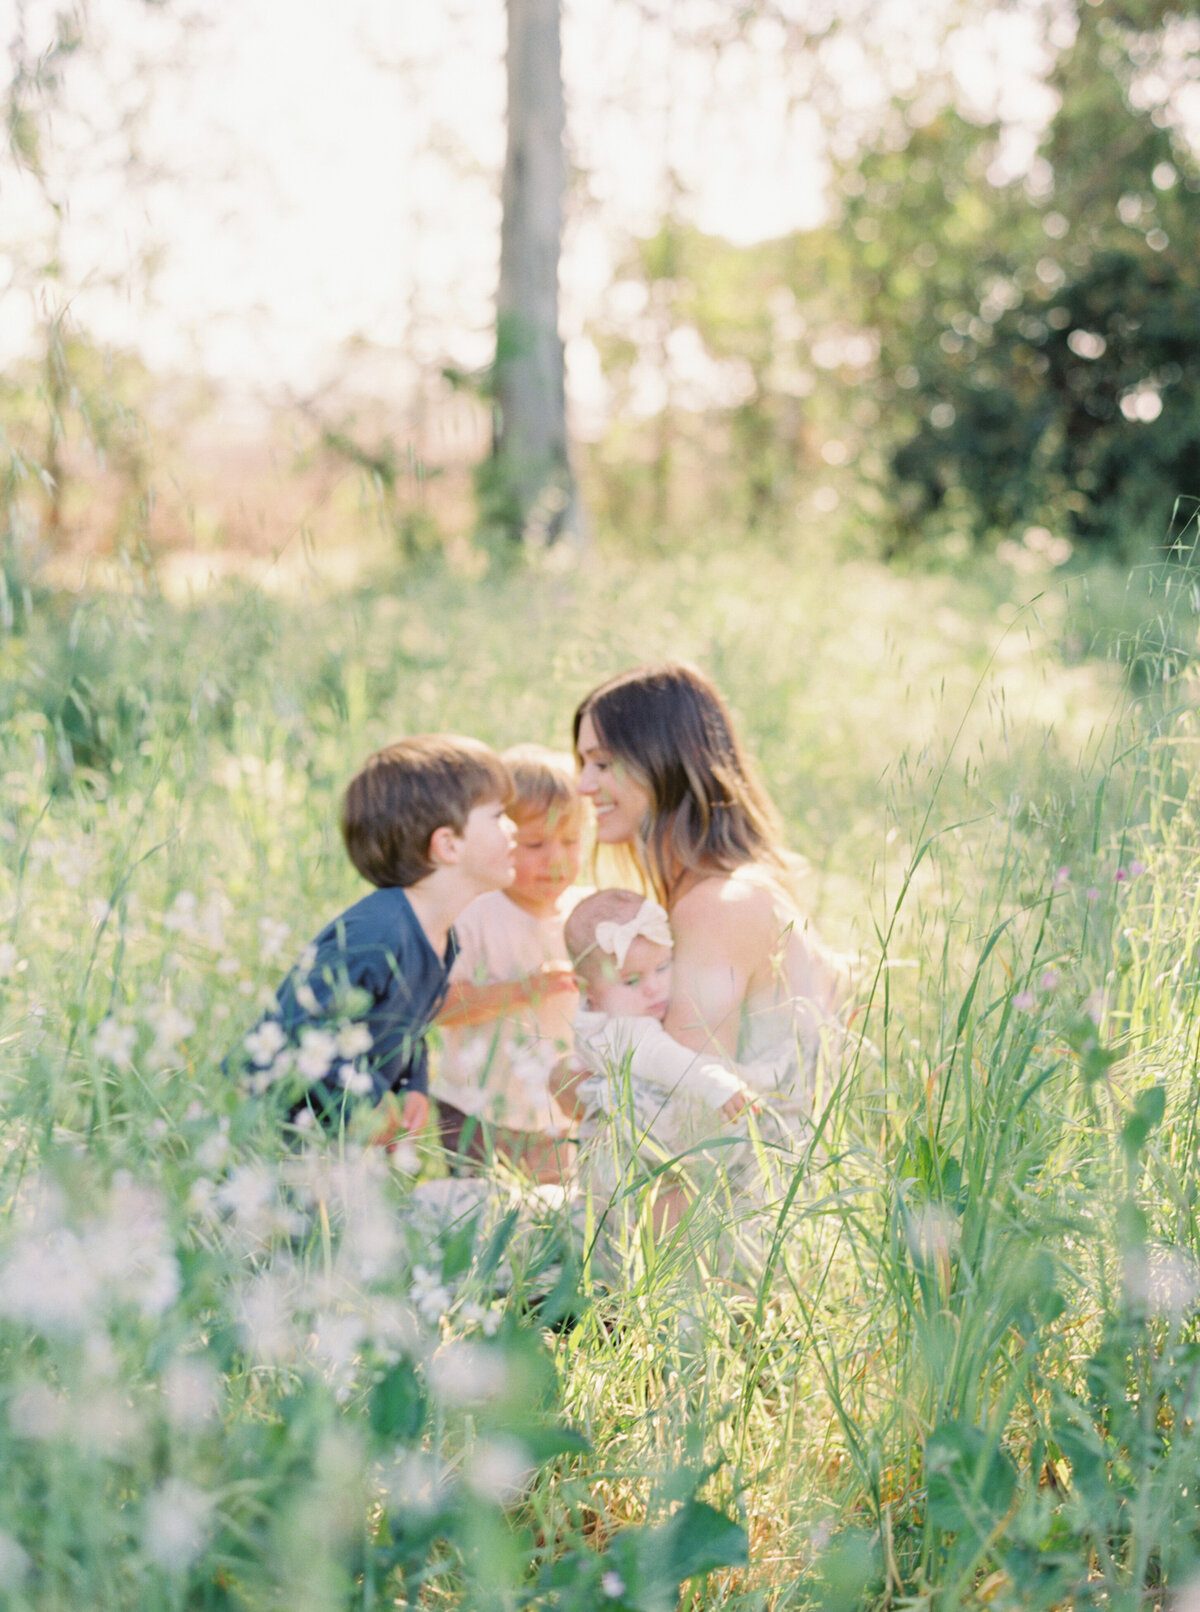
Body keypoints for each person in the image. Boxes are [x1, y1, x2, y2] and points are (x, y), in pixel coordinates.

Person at [573, 662, 848, 1146]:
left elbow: (684, 1137)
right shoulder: (726, 888)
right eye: (581, 764)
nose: (582, 786)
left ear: (662, 761)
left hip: (728, 1212)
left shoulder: (716, 906)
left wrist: (569, 1081)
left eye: (601, 763)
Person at [230, 735, 516, 1144]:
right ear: (448, 845)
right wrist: (371, 1095)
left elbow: (407, 1025)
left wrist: (410, 1086)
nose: (515, 829)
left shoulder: (440, 935)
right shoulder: (378, 932)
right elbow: (298, 1029)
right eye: (499, 816)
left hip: (329, 1145)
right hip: (268, 1136)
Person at [433, 745, 585, 1182]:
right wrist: (524, 990)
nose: (555, 858)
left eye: (571, 841)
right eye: (534, 843)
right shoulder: (476, 913)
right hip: (476, 1110)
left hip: (555, 1115)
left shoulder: (586, 914)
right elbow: (441, 1004)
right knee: (483, 1220)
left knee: (552, 1219)